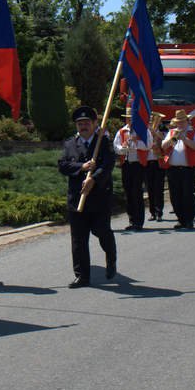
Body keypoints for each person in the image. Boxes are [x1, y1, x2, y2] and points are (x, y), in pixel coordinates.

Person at [58, 106, 117, 288]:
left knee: (102, 232)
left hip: (98, 198)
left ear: (94, 124)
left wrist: (94, 179)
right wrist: (82, 168)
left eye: (86, 123)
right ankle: (82, 276)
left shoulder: (103, 142)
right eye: (79, 123)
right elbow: (63, 165)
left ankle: (111, 257)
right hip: (77, 198)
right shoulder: (69, 144)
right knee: (78, 239)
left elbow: (108, 164)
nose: (82, 126)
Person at [161, 109, 195, 229]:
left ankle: (189, 219)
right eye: (178, 122)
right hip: (173, 168)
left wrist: (185, 139)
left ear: (187, 121)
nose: (180, 124)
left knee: (187, 194)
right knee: (175, 195)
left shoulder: (194, 132)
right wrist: (171, 139)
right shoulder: (172, 131)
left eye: (182, 122)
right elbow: (163, 146)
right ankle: (180, 219)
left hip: (187, 168)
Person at [113, 107, 151, 231]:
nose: (130, 121)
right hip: (126, 164)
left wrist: (136, 143)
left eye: (132, 118)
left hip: (138, 164)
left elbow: (148, 145)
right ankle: (132, 220)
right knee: (128, 192)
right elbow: (116, 147)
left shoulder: (143, 130)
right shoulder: (121, 132)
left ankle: (139, 221)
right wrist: (124, 148)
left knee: (137, 192)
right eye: (128, 118)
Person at [144, 114, 167, 222]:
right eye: (150, 121)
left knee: (158, 189)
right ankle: (152, 212)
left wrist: (156, 133)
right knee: (150, 189)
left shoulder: (163, 132)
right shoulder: (145, 133)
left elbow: (168, 143)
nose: (151, 123)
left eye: (154, 120)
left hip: (159, 162)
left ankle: (159, 213)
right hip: (148, 163)